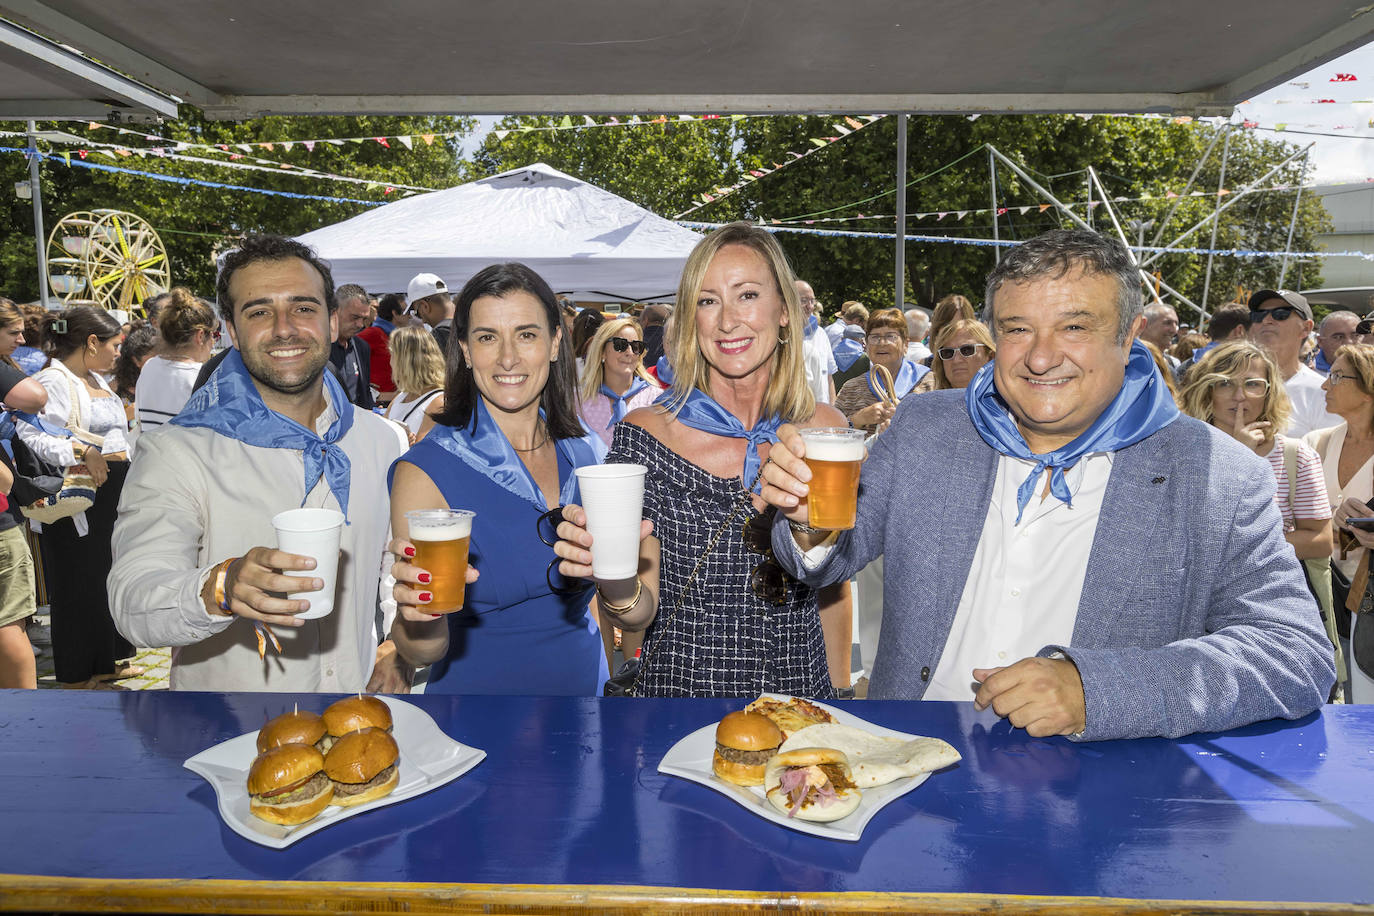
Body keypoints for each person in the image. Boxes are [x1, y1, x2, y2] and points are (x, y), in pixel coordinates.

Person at [761, 228, 1335, 740]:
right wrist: (808, 526)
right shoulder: (925, 426)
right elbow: (830, 558)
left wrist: (1098, 689)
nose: (1040, 357)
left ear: (1129, 333)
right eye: (1017, 329)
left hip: (1093, 801)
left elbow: (1295, 654)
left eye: (1075, 326)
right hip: (908, 782)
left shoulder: (1218, 475)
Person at [552, 222, 849, 698]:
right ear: (692, 319)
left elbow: (834, 587)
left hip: (801, 705)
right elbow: (637, 612)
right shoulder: (645, 436)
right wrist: (614, 583)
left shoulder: (828, 434)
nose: (727, 321)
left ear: (785, 312)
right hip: (678, 706)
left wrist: (841, 697)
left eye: (747, 294)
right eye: (708, 301)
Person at [108, 234, 407, 692]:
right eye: (260, 311)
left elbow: (394, 569)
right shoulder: (177, 451)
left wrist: (397, 646)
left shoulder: (382, 439)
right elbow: (132, 601)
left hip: (354, 719)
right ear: (231, 328)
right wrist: (220, 588)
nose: (284, 328)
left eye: (304, 308)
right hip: (228, 735)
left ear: (331, 323)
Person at [385, 262, 607, 695]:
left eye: (526, 334)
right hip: (480, 720)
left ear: (556, 343)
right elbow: (422, 650)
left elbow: (602, 605)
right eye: (488, 337)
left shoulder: (587, 453)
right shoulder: (426, 470)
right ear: (465, 350)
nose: (508, 357)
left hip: (590, 703)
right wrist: (416, 618)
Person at [18, 306, 138, 689]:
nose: (119, 352)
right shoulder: (53, 380)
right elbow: (31, 433)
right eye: (114, 344)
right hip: (77, 492)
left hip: (109, 490)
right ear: (91, 342)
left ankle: (102, 663)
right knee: (75, 583)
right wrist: (79, 451)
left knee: (100, 577)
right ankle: (76, 672)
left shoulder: (96, 378)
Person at [1178, 340, 1332, 563]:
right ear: (1206, 390)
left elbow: (1321, 541)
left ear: (1269, 392)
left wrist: (1244, 547)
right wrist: (1236, 457)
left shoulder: (1297, 456)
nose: (1239, 395)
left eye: (1252, 384)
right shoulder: (1181, 452)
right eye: (1225, 383)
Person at [1306, 343, 1374, 703]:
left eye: (1336, 376)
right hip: (1322, 599)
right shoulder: (1315, 444)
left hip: (1369, 604)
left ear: (1368, 389)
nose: (1323, 385)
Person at [133, 288, 217, 447]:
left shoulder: (149, 366)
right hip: (186, 466)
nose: (213, 343)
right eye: (214, 335)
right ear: (200, 336)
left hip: (149, 462)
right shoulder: (202, 377)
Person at [1248, 290, 1339, 437]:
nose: (1266, 320)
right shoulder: (1227, 384)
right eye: (1258, 315)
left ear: (1306, 328)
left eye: (1280, 313)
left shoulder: (1322, 392)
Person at [834, 308, 931, 434]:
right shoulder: (851, 388)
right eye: (875, 337)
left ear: (905, 344)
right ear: (866, 345)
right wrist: (858, 419)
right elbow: (833, 434)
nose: (882, 343)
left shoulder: (928, 383)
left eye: (890, 336)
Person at [578, 316, 662, 447]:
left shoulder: (656, 399)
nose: (629, 352)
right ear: (602, 352)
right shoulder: (578, 400)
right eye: (620, 345)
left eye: (636, 346)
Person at [382, 326, 447, 441]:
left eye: (392, 354)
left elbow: (424, 452)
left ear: (404, 362)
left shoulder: (438, 403)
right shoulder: (401, 396)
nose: (390, 361)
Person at [914, 318, 996, 393]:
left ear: (991, 357)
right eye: (947, 353)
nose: (956, 360)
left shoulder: (1006, 404)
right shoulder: (926, 404)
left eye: (967, 350)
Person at [329, 284, 375, 409]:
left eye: (364, 319)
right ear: (334, 311)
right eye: (354, 317)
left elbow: (365, 392)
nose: (360, 324)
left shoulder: (362, 347)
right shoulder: (317, 348)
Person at [795, 280, 837, 406]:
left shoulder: (821, 334)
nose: (810, 306)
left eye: (812, 301)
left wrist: (832, 408)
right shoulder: (779, 336)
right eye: (803, 301)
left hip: (823, 414)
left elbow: (829, 376)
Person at [358, 292, 404, 404]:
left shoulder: (396, 336)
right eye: (406, 311)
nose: (410, 315)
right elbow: (349, 351)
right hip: (378, 403)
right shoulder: (374, 333)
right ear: (395, 313)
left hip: (394, 400)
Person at [408, 273, 454, 357]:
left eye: (417, 313)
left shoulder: (439, 335)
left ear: (424, 306)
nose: (423, 321)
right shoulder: (471, 320)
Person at [1313, 311, 1360, 376]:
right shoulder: (1307, 372)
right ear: (1320, 341)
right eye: (1339, 337)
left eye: (1356, 335)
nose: (1349, 342)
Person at [1140, 303, 1181, 376]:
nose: (1174, 330)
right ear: (1144, 324)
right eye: (1168, 323)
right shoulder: (1126, 359)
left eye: (1176, 324)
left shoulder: (1174, 363)